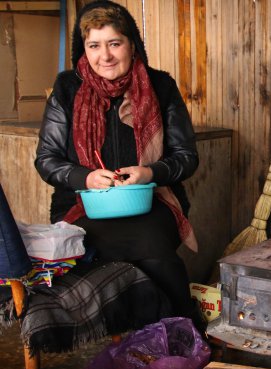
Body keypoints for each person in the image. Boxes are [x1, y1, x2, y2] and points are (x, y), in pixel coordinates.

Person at [35, 1, 205, 332]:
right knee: (153, 254)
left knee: (154, 244)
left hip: (151, 202)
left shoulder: (160, 86)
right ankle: (186, 333)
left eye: (115, 43)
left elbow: (186, 157)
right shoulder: (67, 88)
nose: (105, 56)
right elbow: (47, 160)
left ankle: (173, 340)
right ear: (83, 49)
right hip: (82, 206)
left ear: (132, 45)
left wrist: (150, 173)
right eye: (94, 45)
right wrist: (84, 176)